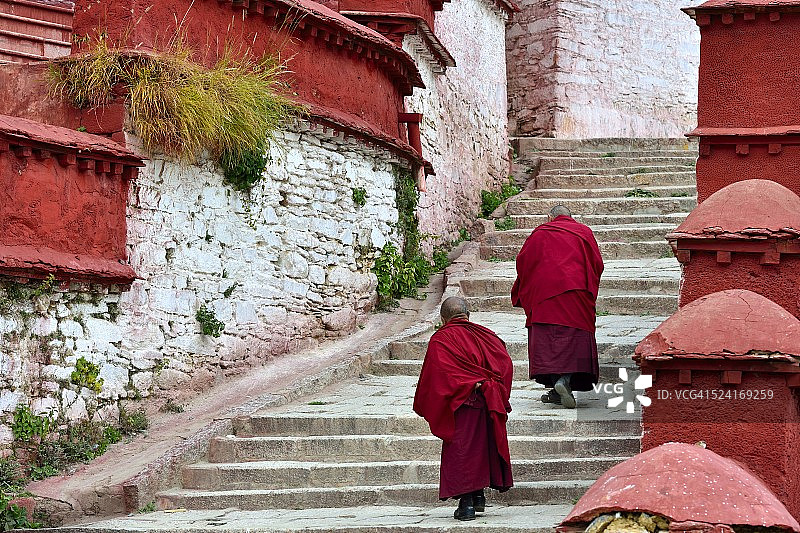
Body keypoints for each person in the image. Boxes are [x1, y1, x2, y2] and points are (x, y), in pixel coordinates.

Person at [413, 296, 514, 521]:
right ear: (468, 315)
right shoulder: (487, 336)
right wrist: (493, 387)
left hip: (462, 405)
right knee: (483, 449)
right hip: (488, 402)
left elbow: (438, 376)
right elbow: (505, 364)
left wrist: (468, 385)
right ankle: (479, 497)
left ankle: (467, 504)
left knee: (464, 452)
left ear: (443, 318)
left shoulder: (441, 340)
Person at [511, 205, 604, 409]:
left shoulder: (540, 233)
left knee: (548, 341)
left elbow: (523, 263)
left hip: (545, 296)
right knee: (575, 339)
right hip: (577, 294)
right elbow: (597, 264)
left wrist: (531, 287)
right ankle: (564, 383)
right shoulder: (584, 232)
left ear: (549, 218)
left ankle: (558, 384)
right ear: (572, 217)